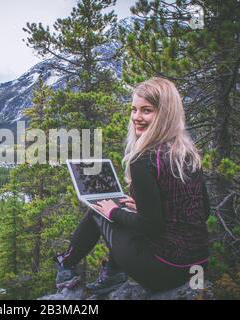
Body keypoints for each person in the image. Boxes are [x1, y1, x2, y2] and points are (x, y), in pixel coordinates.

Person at [54, 77, 210, 295]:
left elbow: (151, 226)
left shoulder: (144, 159)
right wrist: (141, 207)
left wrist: (114, 211)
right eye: (134, 110)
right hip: (197, 267)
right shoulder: (188, 154)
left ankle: (66, 263)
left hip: (164, 270)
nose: (137, 117)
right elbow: (203, 212)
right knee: (120, 211)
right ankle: (111, 271)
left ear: (165, 113)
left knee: (98, 210)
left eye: (146, 110)